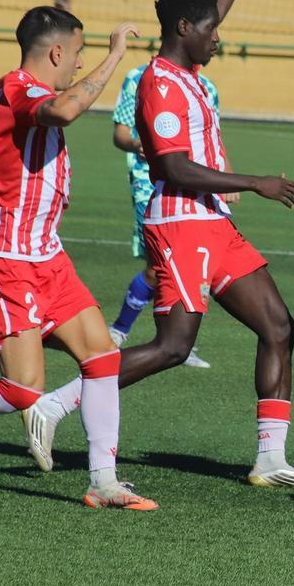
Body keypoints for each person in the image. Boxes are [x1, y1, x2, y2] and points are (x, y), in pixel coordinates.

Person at [22, 0, 294, 489]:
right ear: (184, 30)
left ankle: (270, 459)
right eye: (209, 31)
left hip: (214, 225)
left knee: (279, 325)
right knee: (175, 346)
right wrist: (254, 182)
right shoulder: (159, 84)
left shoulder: (190, 68)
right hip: (179, 222)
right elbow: (174, 169)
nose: (218, 37)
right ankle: (54, 405)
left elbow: (215, 5)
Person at [0, 6, 157, 511]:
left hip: (47, 258)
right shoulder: (14, 87)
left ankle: (104, 481)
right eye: (78, 54)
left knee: (102, 357)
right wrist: (115, 57)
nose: (80, 65)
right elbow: (64, 110)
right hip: (2, 261)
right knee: (23, 390)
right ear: (57, 51)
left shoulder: (39, 93)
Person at [105, 62, 224, 368]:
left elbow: (212, 143)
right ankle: (122, 332)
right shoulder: (139, 78)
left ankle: (172, 342)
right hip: (150, 185)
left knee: (184, 267)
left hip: (194, 188)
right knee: (162, 267)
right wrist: (136, 144)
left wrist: (227, 177)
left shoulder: (207, 88)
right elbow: (120, 134)